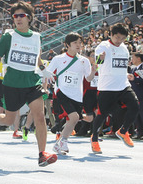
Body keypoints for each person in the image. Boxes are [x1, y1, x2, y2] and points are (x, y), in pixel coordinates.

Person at [0, 2, 58, 167]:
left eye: (22, 15)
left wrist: (42, 69)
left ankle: (42, 154)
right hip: (12, 84)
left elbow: (36, 57)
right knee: (10, 120)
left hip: (32, 82)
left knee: (40, 116)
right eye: (15, 16)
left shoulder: (37, 37)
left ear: (29, 18)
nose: (18, 19)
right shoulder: (9, 37)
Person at [90, 23, 140, 152]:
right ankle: (94, 138)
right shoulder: (103, 46)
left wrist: (126, 74)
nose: (120, 41)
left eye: (123, 38)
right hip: (107, 87)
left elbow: (121, 66)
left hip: (123, 85)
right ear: (111, 35)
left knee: (135, 106)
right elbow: (98, 65)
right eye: (117, 37)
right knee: (102, 115)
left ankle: (123, 131)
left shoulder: (124, 48)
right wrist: (100, 59)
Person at [47, 33, 95, 155]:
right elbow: (47, 73)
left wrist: (93, 71)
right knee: (73, 117)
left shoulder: (84, 60)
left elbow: (88, 79)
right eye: (75, 43)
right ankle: (63, 141)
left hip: (77, 95)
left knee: (73, 120)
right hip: (62, 92)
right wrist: (47, 83)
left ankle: (59, 143)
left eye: (80, 43)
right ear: (67, 45)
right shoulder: (58, 59)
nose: (79, 45)